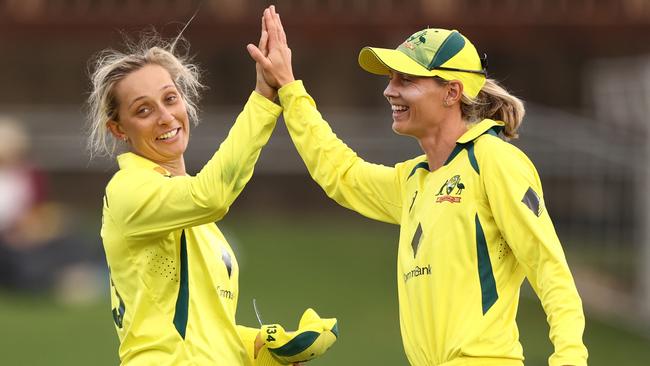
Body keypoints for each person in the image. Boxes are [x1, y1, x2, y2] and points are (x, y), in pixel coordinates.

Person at [248, 6, 588, 366]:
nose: (388, 91)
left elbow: (549, 268)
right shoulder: (413, 179)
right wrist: (288, 88)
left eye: (405, 80)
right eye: (391, 79)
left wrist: (570, 358)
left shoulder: (494, 160)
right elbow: (340, 173)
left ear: (452, 93)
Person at [86, 26, 337, 365]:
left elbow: (203, 332)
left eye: (170, 99)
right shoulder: (127, 189)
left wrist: (260, 345)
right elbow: (212, 196)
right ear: (118, 130)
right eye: (143, 110)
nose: (165, 117)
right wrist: (263, 100)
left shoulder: (194, 216)